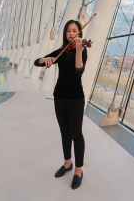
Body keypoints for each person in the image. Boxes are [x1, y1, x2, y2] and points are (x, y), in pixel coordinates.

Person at [34, 20, 87, 190]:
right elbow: (37, 62)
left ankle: (78, 170)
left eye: (75, 30)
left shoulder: (82, 50)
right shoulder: (63, 51)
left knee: (76, 134)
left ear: (79, 33)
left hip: (76, 98)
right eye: (68, 31)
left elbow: (79, 71)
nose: (71, 33)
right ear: (65, 34)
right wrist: (45, 59)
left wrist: (78, 51)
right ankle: (67, 164)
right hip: (59, 97)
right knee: (64, 132)